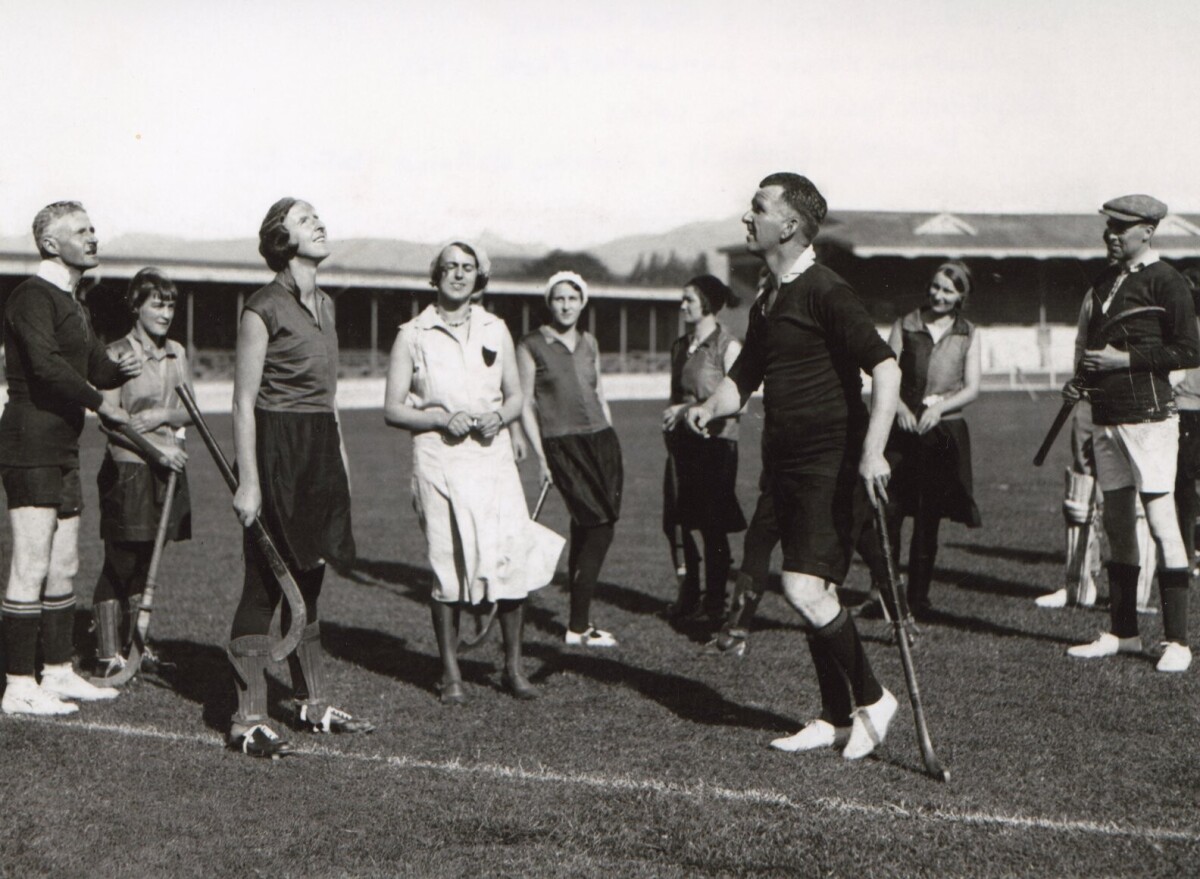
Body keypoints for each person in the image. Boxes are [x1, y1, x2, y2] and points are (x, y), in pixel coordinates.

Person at [686, 173, 902, 759]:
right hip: (783, 463)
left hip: (828, 464)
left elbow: (886, 368)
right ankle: (835, 717)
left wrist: (874, 451)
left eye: (758, 208)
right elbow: (743, 379)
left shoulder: (826, 290)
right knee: (814, 591)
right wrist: (709, 406)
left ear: (788, 225)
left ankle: (873, 698)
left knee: (803, 587)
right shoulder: (771, 297)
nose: (746, 217)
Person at [227, 198, 373, 758]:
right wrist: (250, 481)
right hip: (276, 445)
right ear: (281, 239)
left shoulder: (328, 306)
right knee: (266, 583)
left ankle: (312, 704)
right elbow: (243, 402)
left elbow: (328, 402)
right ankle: (247, 719)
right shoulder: (260, 308)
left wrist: (341, 465)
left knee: (309, 577)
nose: (319, 221)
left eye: (318, 214)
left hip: (318, 447)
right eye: (305, 217)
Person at [386, 241, 563, 702]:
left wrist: (500, 418)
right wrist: (440, 418)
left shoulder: (496, 328)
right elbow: (392, 408)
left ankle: (513, 668)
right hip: (438, 462)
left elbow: (516, 397)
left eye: (467, 269)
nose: (458, 275)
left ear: (479, 277)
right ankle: (451, 675)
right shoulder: (412, 333)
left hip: (492, 459)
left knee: (509, 562)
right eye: (450, 268)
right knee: (447, 569)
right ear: (436, 275)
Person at [0, 201, 141, 716]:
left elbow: (96, 366)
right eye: (80, 231)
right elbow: (46, 367)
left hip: (62, 445)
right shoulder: (30, 297)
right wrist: (102, 402)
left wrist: (123, 366)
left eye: (93, 228)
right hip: (29, 442)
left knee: (65, 564)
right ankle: (18, 685)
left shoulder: (73, 302)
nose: (93, 237)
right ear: (51, 244)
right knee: (31, 563)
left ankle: (56, 672)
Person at [1065, 195, 1199, 673]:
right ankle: (1123, 632)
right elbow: (1088, 343)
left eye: (1121, 228)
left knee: (1162, 524)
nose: (1111, 235)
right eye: (1108, 227)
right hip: (1107, 416)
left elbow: (1188, 350)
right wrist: (1079, 376)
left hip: (1151, 419)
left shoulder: (1169, 281)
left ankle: (1178, 641)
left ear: (1148, 230)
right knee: (1117, 525)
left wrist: (1124, 361)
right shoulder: (1105, 280)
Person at [860, 261, 982, 619]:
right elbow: (885, 374)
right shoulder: (906, 324)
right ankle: (884, 595)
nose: (939, 295)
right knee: (890, 514)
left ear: (961, 296)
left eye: (948, 290)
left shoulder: (968, 333)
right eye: (935, 287)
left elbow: (973, 388)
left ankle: (918, 599)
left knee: (928, 519)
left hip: (942, 434)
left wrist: (939, 408)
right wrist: (897, 407)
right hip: (902, 432)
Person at [92, 269, 192, 678]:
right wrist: (155, 450)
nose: (166, 313)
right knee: (121, 560)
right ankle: (106, 654)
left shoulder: (177, 353)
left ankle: (136, 647)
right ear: (136, 305)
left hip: (169, 466)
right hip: (130, 468)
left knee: (148, 558)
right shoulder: (117, 353)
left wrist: (163, 414)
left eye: (170, 304)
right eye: (157, 304)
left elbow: (190, 409)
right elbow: (108, 422)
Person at [517, 271, 622, 647]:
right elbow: (526, 403)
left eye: (572, 299)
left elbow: (600, 391)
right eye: (559, 298)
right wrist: (543, 458)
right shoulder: (531, 344)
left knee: (589, 524)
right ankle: (578, 626)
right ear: (550, 302)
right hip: (563, 445)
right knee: (599, 527)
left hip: (602, 441)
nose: (566, 305)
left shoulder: (589, 341)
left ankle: (579, 625)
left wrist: (609, 433)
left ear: (583, 303)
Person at [662, 275, 746, 625]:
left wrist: (686, 410)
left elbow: (739, 403)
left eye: (689, 301)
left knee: (713, 527)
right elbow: (675, 395)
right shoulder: (680, 345)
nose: (682, 306)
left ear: (707, 305)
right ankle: (689, 594)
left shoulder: (728, 346)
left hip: (716, 446)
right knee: (678, 524)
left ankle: (715, 605)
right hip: (682, 446)